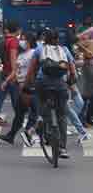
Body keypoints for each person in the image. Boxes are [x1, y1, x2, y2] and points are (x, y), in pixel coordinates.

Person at [26, 27, 75, 157]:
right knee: (62, 116)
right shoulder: (64, 50)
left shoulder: (39, 49)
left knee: (43, 111)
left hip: (43, 84)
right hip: (60, 85)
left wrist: (28, 85)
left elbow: (31, 70)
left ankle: (44, 130)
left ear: (44, 39)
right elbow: (72, 69)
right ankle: (63, 148)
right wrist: (71, 81)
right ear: (58, 39)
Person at [0, 32, 38, 146]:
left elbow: (34, 70)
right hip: (21, 87)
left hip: (31, 86)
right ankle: (11, 136)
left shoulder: (34, 53)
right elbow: (15, 70)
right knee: (20, 113)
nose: (21, 42)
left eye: (24, 39)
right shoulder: (21, 55)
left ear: (29, 41)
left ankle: (29, 132)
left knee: (35, 112)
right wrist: (7, 81)